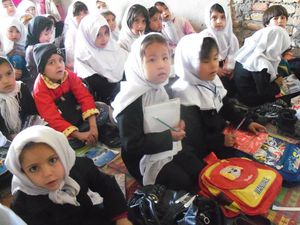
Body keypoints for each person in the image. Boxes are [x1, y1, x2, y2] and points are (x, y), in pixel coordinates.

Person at [112, 33, 202, 192]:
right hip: (142, 158)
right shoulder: (130, 101)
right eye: (152, 59)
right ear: (138, 64)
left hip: (165, 144)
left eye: (165, 58)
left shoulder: (160, 88)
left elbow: (162, 118)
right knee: (182, 182)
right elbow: (131, 145)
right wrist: (169, 136)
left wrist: (176, 125)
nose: (161, 65)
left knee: (198, 169)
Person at [5, 125, 132, 225]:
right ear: (22, 173)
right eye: (33, 168)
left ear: (63, 154)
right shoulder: (23, 203)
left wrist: (121, 217)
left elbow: (107, 186)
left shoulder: (79, 167)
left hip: (90, 217)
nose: (48, 173)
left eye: (52, 160)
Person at [172, 33, 266, 160]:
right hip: (205, 149)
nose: (213, 65)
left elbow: (225, 106)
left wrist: (246, 123)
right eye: (206, 61)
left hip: (221, 134)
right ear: (188, 62)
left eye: (216, 58)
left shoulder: (211, 79)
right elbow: (194, 138)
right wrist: (221, 140)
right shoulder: (184, 94)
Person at [33, 43, 120, 149]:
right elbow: (53, 119)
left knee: (103, 108)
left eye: (60, 60)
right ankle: (90, 136)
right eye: (51, 62)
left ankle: (95, 133)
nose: (59, 65)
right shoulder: (40, 89)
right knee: (60, 142)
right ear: (42, 69)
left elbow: (85, 97)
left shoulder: (69, 75)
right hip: (63, 124)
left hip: (78, 115)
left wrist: (93, 127)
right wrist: (79, 135)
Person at [74, 14, 127, 105]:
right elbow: (102, 90)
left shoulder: (113, 47)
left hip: (126, 95)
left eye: (106, 33)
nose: (104, 38)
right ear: (88, 35)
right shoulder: (83, 59)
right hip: (107, 105)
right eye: (98, 34)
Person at [233, 26, 290, 106]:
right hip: (252, 101)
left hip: (243, 95)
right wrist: (277, 83)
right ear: (275, 44)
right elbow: (264, 93)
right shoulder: (260, 63)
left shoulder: (249, 52)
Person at [202, 1, 239, 97]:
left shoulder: (230, 36)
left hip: (226, 67)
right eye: (214, 17)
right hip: (211, 67)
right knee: (217, 89)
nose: (219, 21)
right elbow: (203, 57)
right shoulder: (205, 37)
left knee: (234, 86)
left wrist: (229, 68)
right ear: (208, 19)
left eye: (223, 17)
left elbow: (233, 53)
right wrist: (216, 69)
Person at [0, 57, 37, 144]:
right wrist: (10, 136)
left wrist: (27, 131)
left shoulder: (21, 88)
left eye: (9, 73)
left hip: (27, 132)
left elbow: (32, 113)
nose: (6, 81)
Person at [25, 15, 54, 82]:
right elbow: (40, 71)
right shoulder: (32, 50)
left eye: (51, 33)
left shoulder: (45, 45)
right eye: (46, 34)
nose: (50, 37)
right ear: (35, 33)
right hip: (40, 81)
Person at [64, 1, 88, 70]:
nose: (82, 16)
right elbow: (71, 63)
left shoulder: (91, 30)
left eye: (85, 12)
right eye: (78, 14)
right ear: (71, 17)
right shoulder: (71, 35)